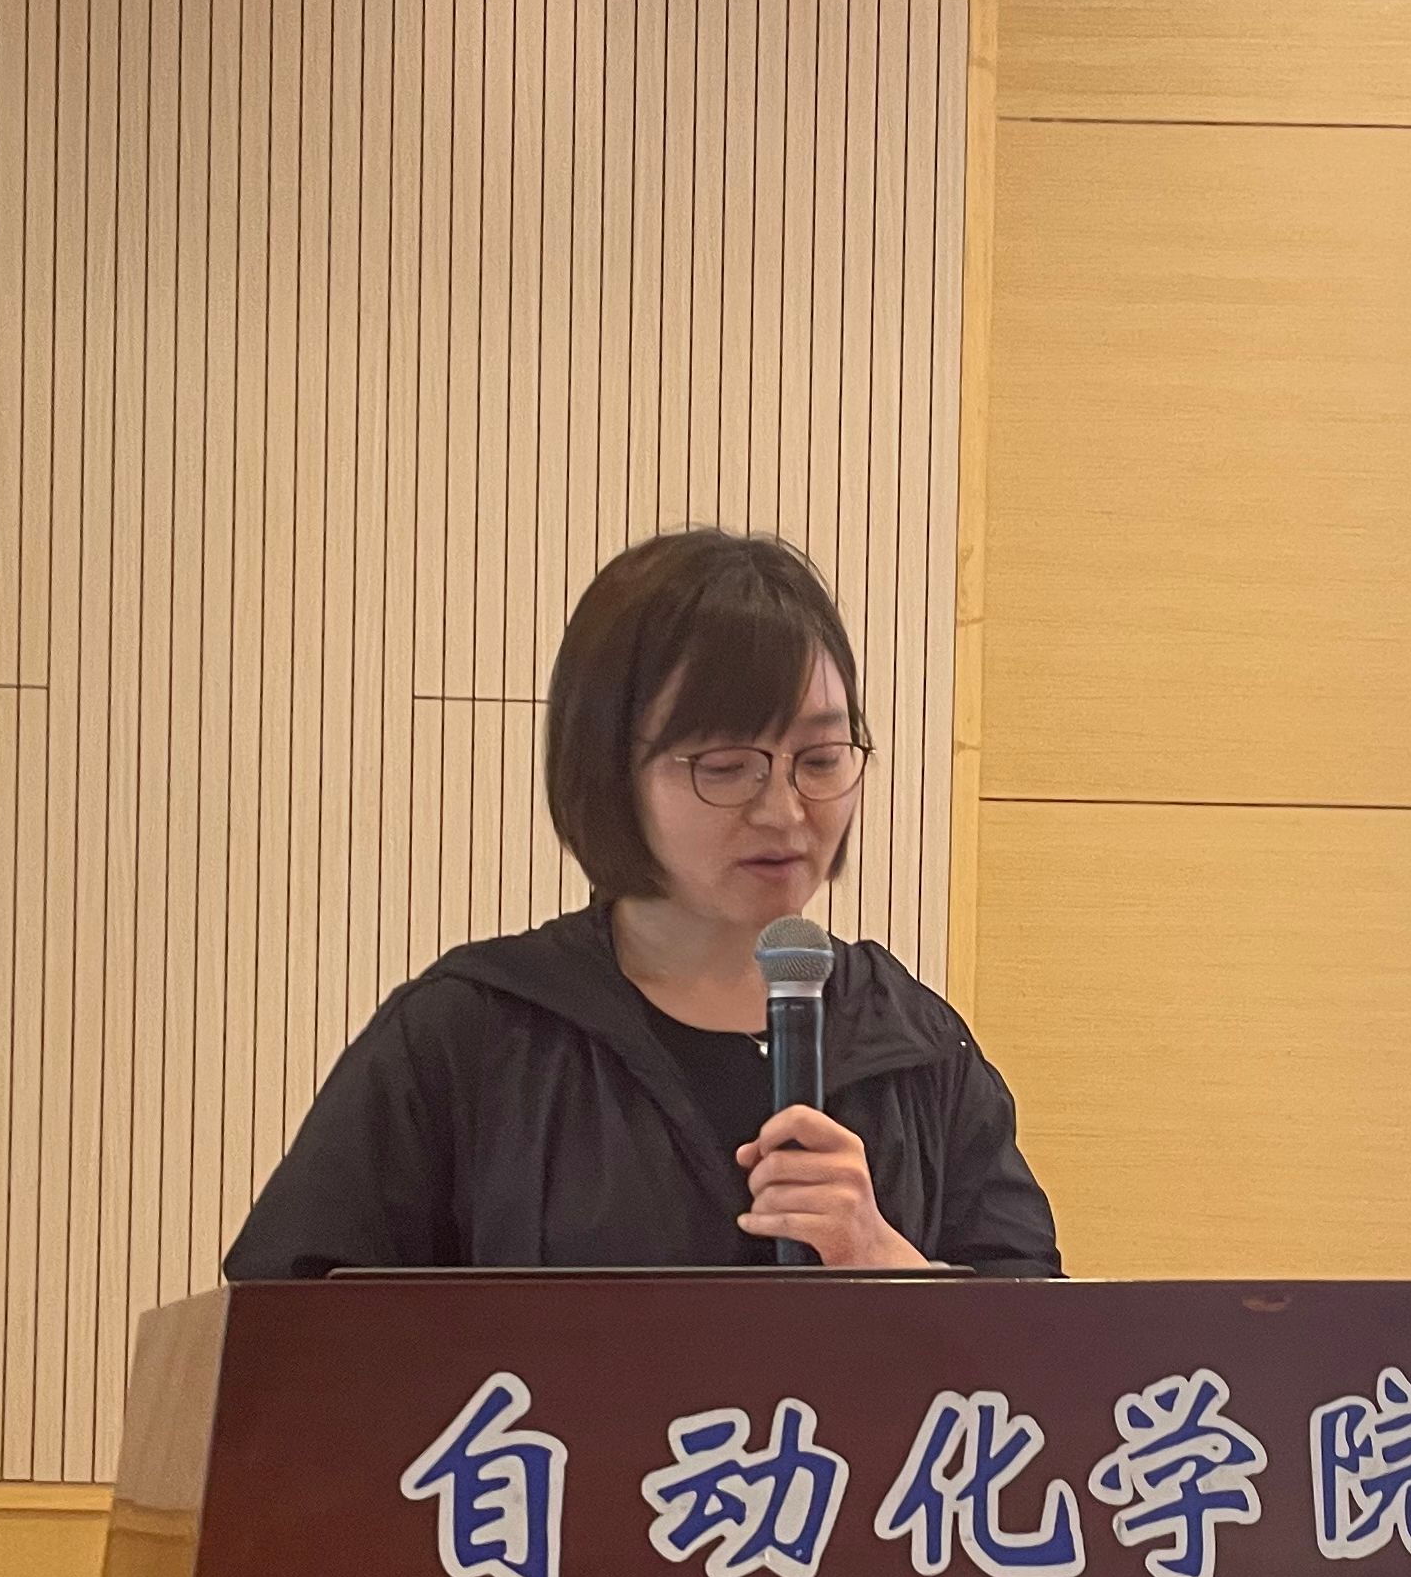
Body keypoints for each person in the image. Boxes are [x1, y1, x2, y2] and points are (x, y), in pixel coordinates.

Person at [224, 528, 1060, 1279]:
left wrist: (885, 1260)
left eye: (820, 758)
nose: (784, 810)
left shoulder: (916, 1045)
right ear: (610, 770)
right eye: (726, 766)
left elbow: (1044, 1360)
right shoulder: (473, 1034)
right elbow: (285, 1330)